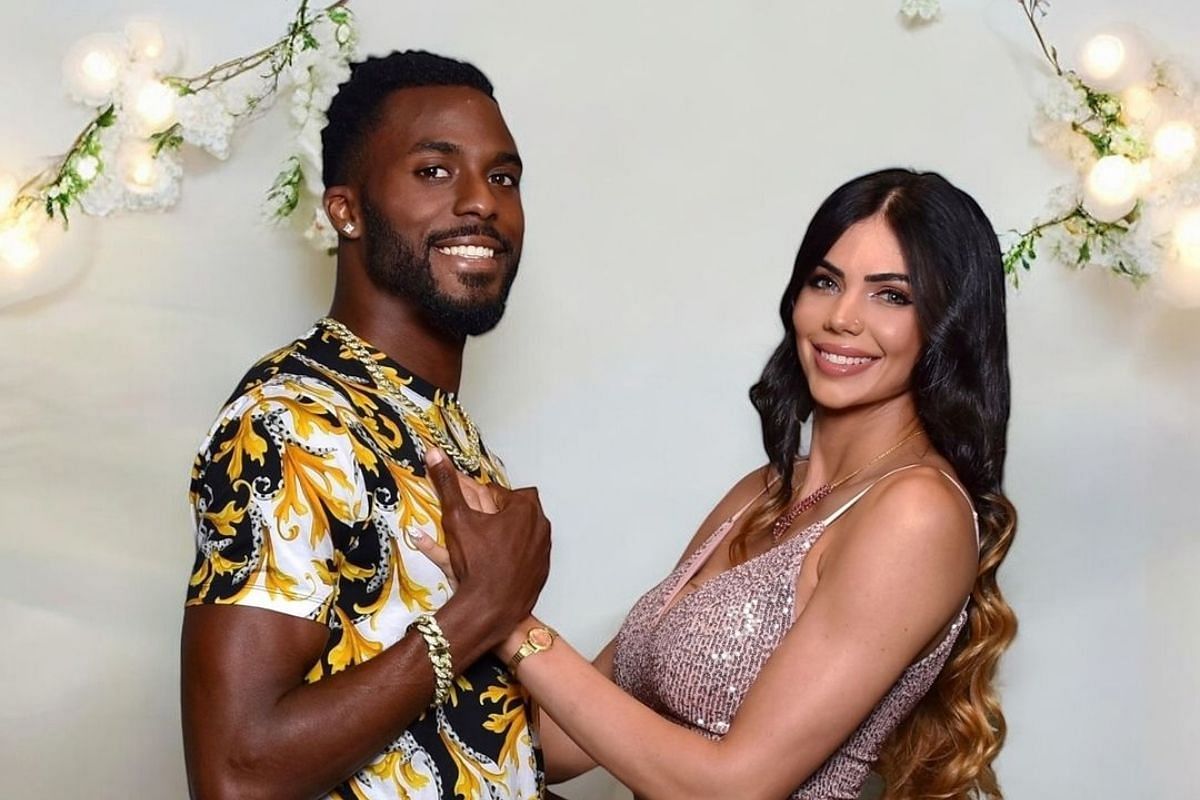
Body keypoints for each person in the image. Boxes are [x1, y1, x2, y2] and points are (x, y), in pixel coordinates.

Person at [423, 168, 1018, 799]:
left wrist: (508, 616)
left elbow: (732, 789)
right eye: (825, 282)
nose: (842, 317)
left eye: (891, 295)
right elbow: (561, 744)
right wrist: (462, 581)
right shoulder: (760, 494)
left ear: (947, 324)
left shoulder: (916, 511)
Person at [180, 51, 554, 800]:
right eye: (435, 171)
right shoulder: (290, 421)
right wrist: (481, 609)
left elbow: (471, 739)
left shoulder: (440, 426)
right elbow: (236, 773)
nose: (481, 201)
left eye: (503, 177)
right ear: (346, 210)